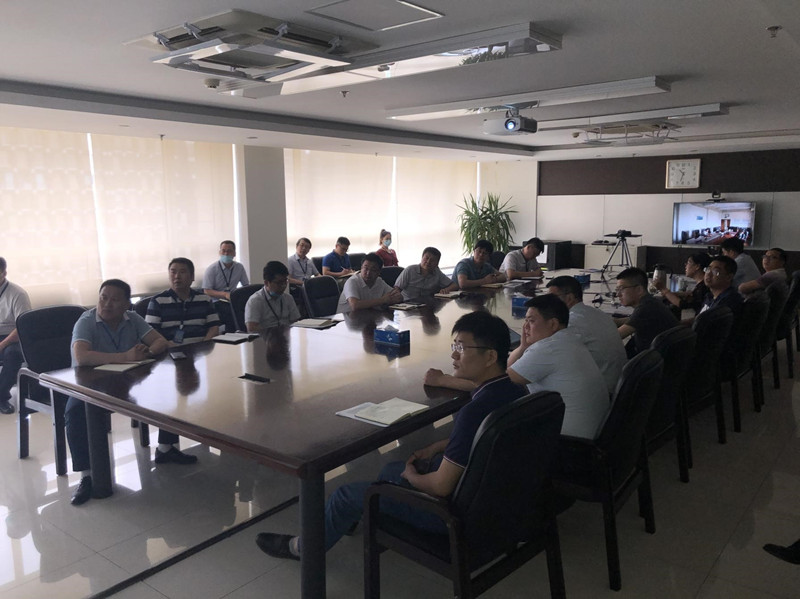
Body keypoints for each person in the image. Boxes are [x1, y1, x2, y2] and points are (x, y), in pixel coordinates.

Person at [254, 310, 525, 560]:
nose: (454, 355)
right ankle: (354, 518)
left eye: (462, 348)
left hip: (452, 514)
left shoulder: (473, 412)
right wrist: (441, 445)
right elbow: (483, 439)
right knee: (390, 470)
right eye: (454, 346)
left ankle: (302, 549)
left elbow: (440, 487)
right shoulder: (515, 391)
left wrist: (412, 477)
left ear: (490, 357)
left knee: (346, 493)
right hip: (495, 500)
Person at [65, 279, 195, 506]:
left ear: (127, 304)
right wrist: (125, 357)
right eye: (103, 298)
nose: (107, 304)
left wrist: (148, 352)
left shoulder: (132, 318)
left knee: (168, 389)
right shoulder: (86, 321)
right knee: (75, 412)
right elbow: (82, 356)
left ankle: (166, 448)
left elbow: (160, 342)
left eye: (115, 300)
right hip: (90, 383)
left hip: (126, 380)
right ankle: (87, 475)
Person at [507, 295, 610, 439]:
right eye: (526, 321)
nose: (525, 327)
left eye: (531, 321)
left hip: (570, 442)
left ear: (553, 324)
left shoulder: (548, 348)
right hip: (597, 434)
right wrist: (523, 347)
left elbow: (505, 378)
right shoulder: (570, 339)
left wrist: (522, 348)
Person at [546, 275, 627, 394]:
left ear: (569, 298)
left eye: (552, 298)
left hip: (601, 393)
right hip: (617, 386)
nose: (548, 303)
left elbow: (549, 356)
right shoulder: (598, 313)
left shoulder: (572, 322)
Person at [146, 258, 220, 345]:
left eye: (182, 272)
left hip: (201, 349)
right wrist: (171, 348)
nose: (177, 276)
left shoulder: (205, 300)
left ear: (192, 277)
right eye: (173, 272)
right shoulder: (157, 301)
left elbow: (214, 328)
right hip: (169, 350)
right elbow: (151, 333)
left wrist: (203, 346)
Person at [614, 267, 678, 356]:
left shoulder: (645, 309)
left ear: (639, 290)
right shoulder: (650, 302)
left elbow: (614, 338)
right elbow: (632, 320)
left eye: (621, 289)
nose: (618, 294)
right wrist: (609, 321)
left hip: (654, 361)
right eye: (617, 290)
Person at [0, 257, 31, 415]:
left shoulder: (17, 294)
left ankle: (1, 396)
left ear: (4, 273)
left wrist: (2, 344)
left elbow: (22, 327)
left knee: (12, 355)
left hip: (13, 336)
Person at [336, 253, 402, 313]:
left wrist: (396, 298)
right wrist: (382, 300)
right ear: (361, 268)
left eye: (373, 270)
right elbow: (355, 305)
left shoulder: (379, 281)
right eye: (366, 268)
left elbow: (397, 295)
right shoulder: (352, 281)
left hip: (367, 318)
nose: (368, 273)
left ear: (379, 272)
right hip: (344, 320)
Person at [245, 261, 300, 332]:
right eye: (279, 283)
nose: (283, 286)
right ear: (266, 283)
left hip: (286, 335)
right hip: (265, 337)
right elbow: (252, 329)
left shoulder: (288, 298)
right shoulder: (255, 301)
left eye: (285, 281)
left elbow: (296, 322)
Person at [393, 247, 459, 300]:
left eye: (432, 260)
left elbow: (455, 285)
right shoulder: (410, 270)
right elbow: (397, 288)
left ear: (437, 264)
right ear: (422, 258)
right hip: (407, 304)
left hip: (427, 305)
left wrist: (446, 290)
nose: (428, 262)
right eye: (426, 258)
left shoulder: (437, 273)